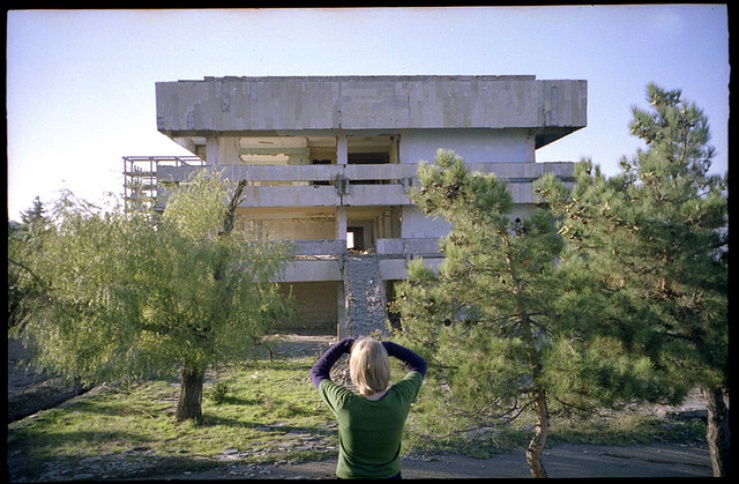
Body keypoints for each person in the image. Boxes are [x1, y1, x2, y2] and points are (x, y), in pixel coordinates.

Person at [310, 336, 427, 479]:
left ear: (354, 371)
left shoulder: (344, 403)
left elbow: (318, 371)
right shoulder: (400, 398)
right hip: (390, 476)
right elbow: (419, 364)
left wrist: (344, 345)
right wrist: (388, 347)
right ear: (386, 367)